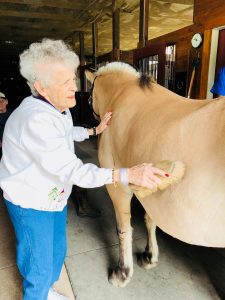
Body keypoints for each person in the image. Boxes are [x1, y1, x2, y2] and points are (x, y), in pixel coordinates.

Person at [0, 39, 167, 300]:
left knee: (56, 254)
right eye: (64, 82)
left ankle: (47, 292)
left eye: (72, 79)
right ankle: (37, 294)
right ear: (41, 87)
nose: (74, 87)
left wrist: (93, 131)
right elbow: (73, 171)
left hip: (52, 197)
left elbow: (65, 133)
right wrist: (126, 174)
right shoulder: (35, 120)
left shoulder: (57, 109)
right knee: (38, 266)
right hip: (30, 202)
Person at [0, 92, 12, 158]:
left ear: (6, 102)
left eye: (2, 101)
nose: (0, 103)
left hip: (12, 146)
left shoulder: (14, 114)